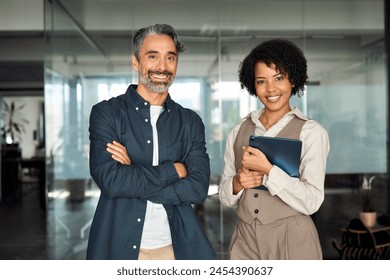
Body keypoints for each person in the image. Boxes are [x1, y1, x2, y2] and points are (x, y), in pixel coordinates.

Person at [86, 23, 215, 260]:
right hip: (117, 248)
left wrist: (133, 175)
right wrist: (174, 171)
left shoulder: (190, 122)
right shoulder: (108, 113)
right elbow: (112, 181)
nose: (162, 66)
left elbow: (197, 189)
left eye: (170, 58)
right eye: (152, 56)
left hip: (175, 249)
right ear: (136, 62)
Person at [218, 39, 330, 260]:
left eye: (279, 78)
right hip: (245, 239)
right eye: (261, 81)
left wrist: (268, 172)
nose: (271, 89)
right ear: (253, 85)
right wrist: (238, 183)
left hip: (293, 239)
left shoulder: (311, 132)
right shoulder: (239, 129)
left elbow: (312, 201)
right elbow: (224, 196)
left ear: (293, 80)